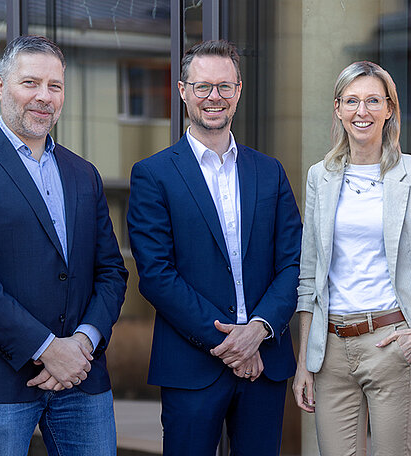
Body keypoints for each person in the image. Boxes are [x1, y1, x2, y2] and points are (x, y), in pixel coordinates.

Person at [0, 34, 128, 456]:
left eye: (55, 86)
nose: (44, 97)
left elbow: (110, 271)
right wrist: (48, 348)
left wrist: (83, 344)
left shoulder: (83, 173)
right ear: (0, 86)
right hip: (0, 386)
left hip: (82, 381)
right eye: (30, 83)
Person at [126, 39, 302, 456]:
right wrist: (231, 344)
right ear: (184, 91)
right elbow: (156, 275)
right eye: (203, 87)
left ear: (238, 91)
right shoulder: (153, 175)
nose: (214, 97)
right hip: (192, 364)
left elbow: (294, 263)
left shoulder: (269, 171)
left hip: (265, 360)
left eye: (224, 87)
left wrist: (258, 330)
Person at [293, 61, 411, 456]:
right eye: (352, 101)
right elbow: (309, 276)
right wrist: (303, 363)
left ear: (389, 109)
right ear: (338, 109)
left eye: (372, 101)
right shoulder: (320, 176)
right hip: (329, 350)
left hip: (392, 342)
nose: (361, 111)